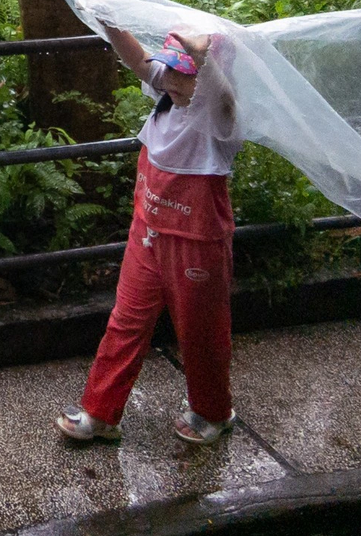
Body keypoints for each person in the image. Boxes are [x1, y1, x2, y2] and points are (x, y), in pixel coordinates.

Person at [57, 24, 244, 446]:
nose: (171, 80)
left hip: (196, 244)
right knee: (125, 319)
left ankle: (214, 411)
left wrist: (204, 56)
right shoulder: (171, 95)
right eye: (170, 70)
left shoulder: (218, 120)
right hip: (147, 233)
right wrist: (108, 21)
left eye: (186, 73)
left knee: (200, 331)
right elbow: (140, 61)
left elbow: (223, 97)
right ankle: (100, 412)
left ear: (208, 76)